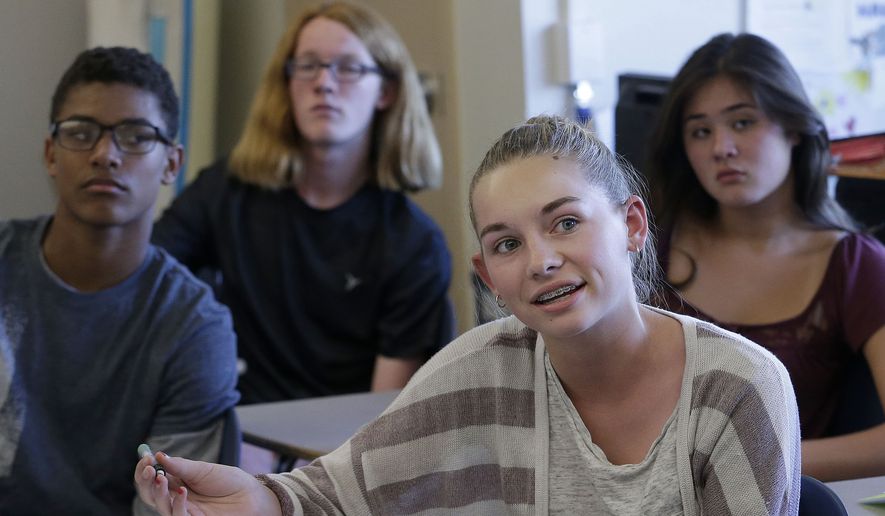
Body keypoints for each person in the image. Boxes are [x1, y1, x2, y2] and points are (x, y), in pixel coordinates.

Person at [135, 115, 800, 515]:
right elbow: (330, 497)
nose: (540, 261)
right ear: (488, 276)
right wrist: (254, 498)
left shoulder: (734, 387)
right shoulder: (476, 375)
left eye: (565, 222)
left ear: (630, 225)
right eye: (507, 243)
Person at [151, 1, 454, 405]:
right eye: (308, 65)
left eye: (348, 67)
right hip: (238, 427)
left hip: (340, 448)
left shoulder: (414, 244)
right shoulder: (227, 190)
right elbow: (145, 276)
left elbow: (383, 423)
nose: (324, 82)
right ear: (288, 82)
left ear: (385, 91)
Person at [0, 47, 240, 515]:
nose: (105, 154)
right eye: (81, 133)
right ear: (51, 153)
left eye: (135, 136)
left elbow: (167, 510)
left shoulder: (194, 330)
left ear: (172, 164)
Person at [646, 32, 885, 481]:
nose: (721, 148)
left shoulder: (855, 264)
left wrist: (749, 458)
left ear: (793, 128)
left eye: (742, 123)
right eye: (701, 131)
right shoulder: (645, 246)